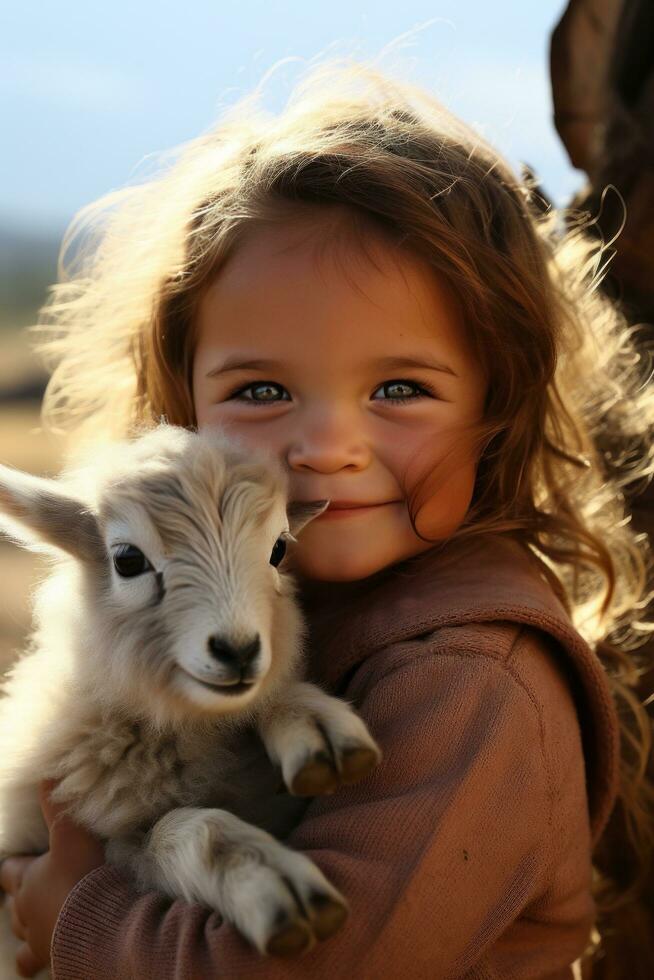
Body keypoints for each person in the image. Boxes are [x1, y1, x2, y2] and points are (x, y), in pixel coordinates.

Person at [1, 58, 653, 979]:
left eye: (400, 388)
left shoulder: (469, 683)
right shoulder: (273, 606)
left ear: (496, 410)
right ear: (182, 398)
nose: (327, 447)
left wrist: (82, 916)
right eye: (263, 389)